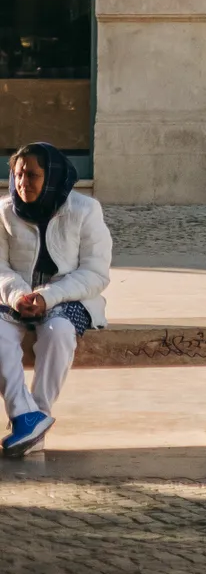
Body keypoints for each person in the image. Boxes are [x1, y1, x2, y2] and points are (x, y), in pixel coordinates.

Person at [1, 141, 112, 456]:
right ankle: (26, 416)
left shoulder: (85, 210)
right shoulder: (4, 211)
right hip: (15, 300)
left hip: (69, 298)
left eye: (33, 175)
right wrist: (18, 294)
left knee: (59, 332)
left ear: (51, 176)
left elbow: (96, 273)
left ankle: (34, 416)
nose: (24, 183)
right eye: (19, 175)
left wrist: (48, 297)